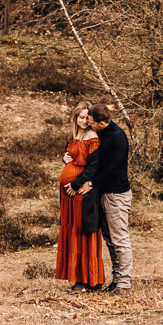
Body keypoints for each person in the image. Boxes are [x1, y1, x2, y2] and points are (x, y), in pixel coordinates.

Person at [65, 101, 132, 296]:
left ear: (102, 123)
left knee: (119, 239)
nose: (88, 124)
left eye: (92, 122)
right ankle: (116, 280)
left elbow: (115, 167)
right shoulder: (102, 133)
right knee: (110, 239)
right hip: (103, 193)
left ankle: (124, 284)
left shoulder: (118, 137)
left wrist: (91, 183)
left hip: (116, 194)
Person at [55, 99, 105, 293]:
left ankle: (87, 280)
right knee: (72, 230)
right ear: (75, 118)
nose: (84, 121)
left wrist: (76, 185)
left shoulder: (93, 137)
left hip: (80, 191)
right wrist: (64, 158)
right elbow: (72, 157)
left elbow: (93, 167)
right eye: (81, 117)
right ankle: (77, 278)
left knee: (82, 231)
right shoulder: (75, 135)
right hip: (68, 194)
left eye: (87, 117)